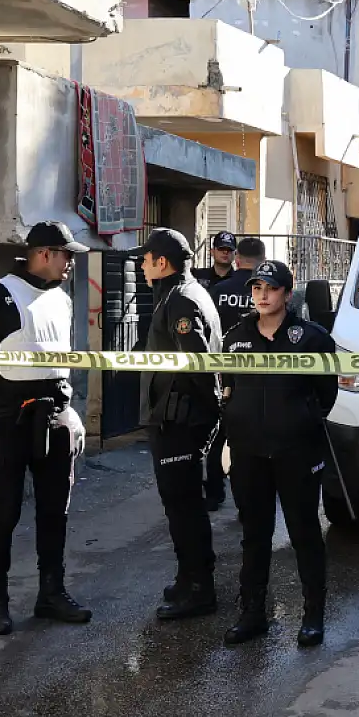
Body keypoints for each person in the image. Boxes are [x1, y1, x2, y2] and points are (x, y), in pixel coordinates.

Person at [0, 221, 93, 636]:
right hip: (7, 422)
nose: (71, 263)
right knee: (4, 512)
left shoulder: (62, 299)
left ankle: (51, 593)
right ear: (45, 254)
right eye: (67, 255)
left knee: (55, 511)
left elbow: (62, 362)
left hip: (54, 417)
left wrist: (72, 412)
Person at [219, 260, 338, 647]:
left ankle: (313, 614)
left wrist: (301, 420)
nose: (263, 295)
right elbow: (228, 386)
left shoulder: (313, 338)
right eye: (257, 288)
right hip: (249, 452)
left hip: (297, 452)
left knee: (305, 533)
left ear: (287, 294)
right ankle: (253, 613)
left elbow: (326, 394)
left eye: (271, 288)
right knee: (255, 535)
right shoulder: (236, 337)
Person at [137, 227, 225, 621]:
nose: (140, 265)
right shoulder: (178, 294)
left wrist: (207, 415)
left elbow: (199, 366)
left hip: (181, 420)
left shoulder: (182, 300)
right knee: (178, 506)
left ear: (162, 262)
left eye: (145, 259)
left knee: (185, 507)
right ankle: (188, 576)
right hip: (174, 417)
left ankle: (200, 589)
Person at [202, 235, 266, 511]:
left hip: (223, 374)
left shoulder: (218, 291)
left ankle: (215, 493)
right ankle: (249, 499)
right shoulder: (267, 293)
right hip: (260, 378)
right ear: (262, 262)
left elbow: (207, 332)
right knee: (251, 441)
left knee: (217, 437)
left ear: (237, 259)